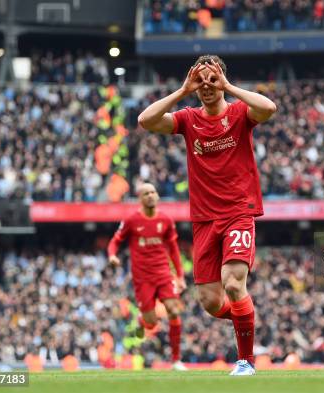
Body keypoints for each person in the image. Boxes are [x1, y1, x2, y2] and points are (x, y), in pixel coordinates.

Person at [137, 54, 277, 375]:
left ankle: (246, 361)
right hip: (203, 219)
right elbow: (146, 121)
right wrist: (183, 91)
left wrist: (228, 86)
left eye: (212, 80)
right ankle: (247, 316)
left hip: (238, 212)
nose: (207, 87)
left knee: (232, 283)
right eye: (201, 82)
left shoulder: (241, 113)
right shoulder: (188, 119)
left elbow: (269, 108)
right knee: (210, 302)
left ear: (222, 80)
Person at [107, 182, 187, 371]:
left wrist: (180, 276)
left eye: (153, 192)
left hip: (163, 273)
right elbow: (115, 241)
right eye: (146, 193)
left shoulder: (166, 220)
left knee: (174, 310)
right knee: (151, 322)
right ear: (140, 199)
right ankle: (142, 322)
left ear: (157, 196)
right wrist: (112, 255)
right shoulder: (132, 220)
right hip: (142, 278)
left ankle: (176, 360)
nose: (150, 195)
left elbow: (174, 249)